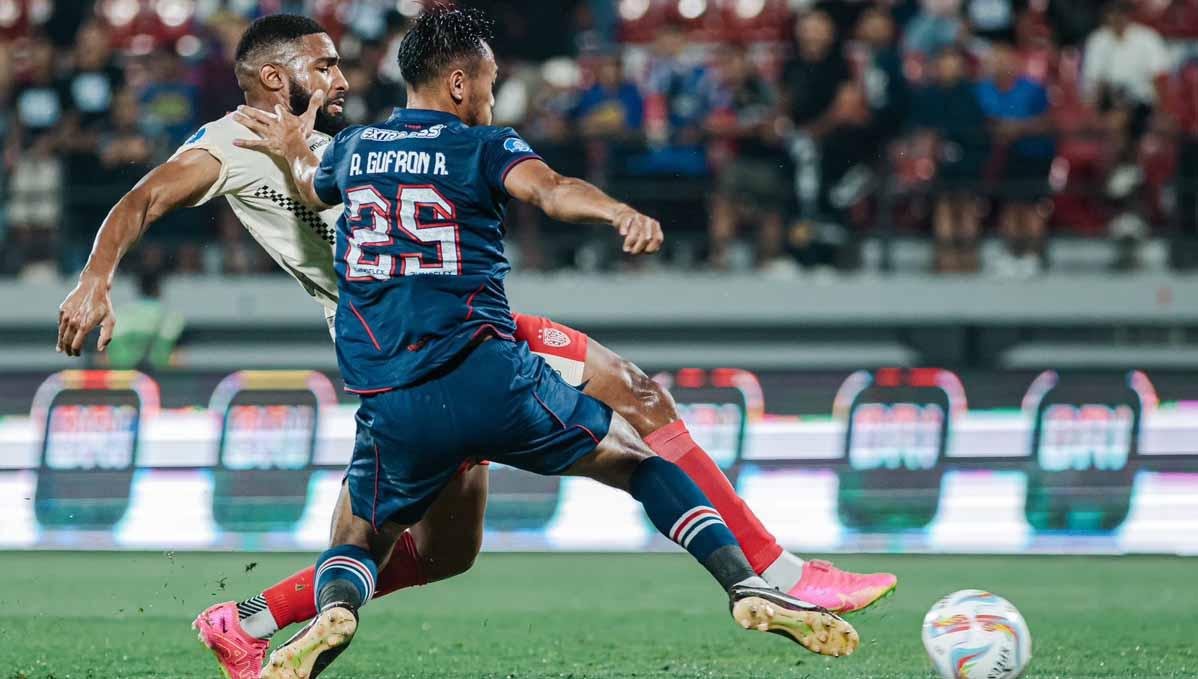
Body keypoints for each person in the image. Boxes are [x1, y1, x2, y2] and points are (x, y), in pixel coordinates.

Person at [54, 14, 891, 679]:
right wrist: (96, 277)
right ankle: (769, 571)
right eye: (327, 64)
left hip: (415, 348)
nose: (344, 76)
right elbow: (137, 201)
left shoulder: (355, 140)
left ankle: (248, 621)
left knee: (506, 499)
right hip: (405, 333)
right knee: (570, 452)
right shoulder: (227, 142)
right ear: (277, 76)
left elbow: (326, 175)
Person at [976, 42, 1055, 274]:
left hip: (1032, 153)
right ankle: (1011, 254)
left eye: (1005, 61)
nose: (1000, 65)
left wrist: (1017, 128)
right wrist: (998, 128)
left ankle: (1032, 256)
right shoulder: (982, 89)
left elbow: (1047, 122)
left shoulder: (1032, 88)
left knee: (1030, 207)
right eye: (995, 61)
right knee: (1009, 207)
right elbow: (980, 119)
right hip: (1000, 157)